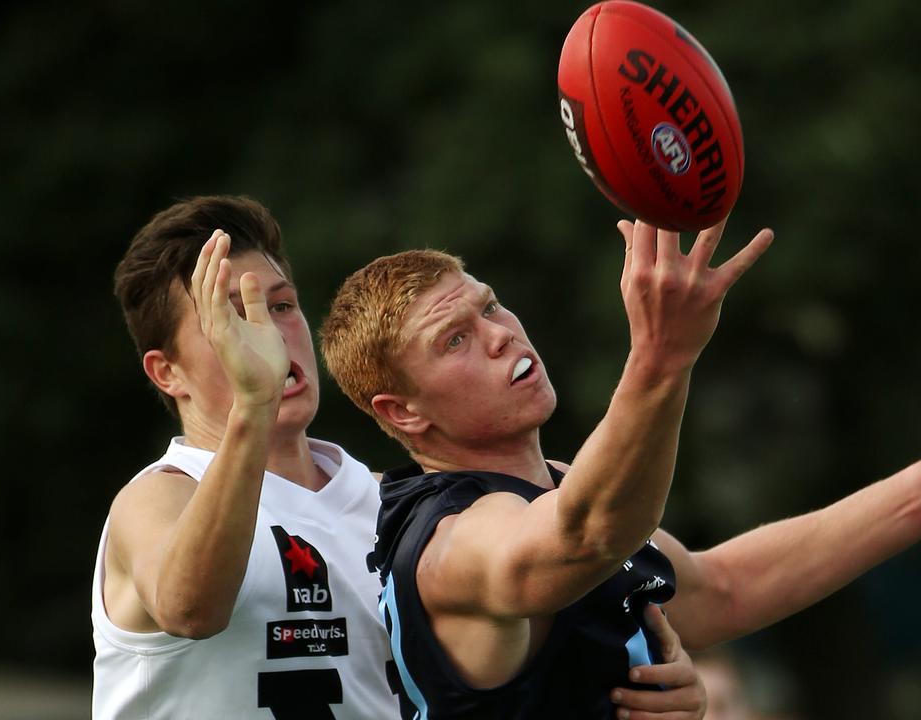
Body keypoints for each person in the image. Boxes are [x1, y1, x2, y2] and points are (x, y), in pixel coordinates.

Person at [320, 219, 921, 720]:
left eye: (489, 306)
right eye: (453, 340)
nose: (497, 334)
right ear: (402, 414)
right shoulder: (448, 540)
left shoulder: (551, 487)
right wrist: (662, 357)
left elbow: (722, 590)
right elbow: (585, 534)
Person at [92, 195, 705, 720]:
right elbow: (191, 609)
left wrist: (646, 679)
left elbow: (704, 591)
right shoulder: (157, 499)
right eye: (231, 317)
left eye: (281, 305)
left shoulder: (395, 501)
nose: (270, 334)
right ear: (166, 371)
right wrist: (254, 406)